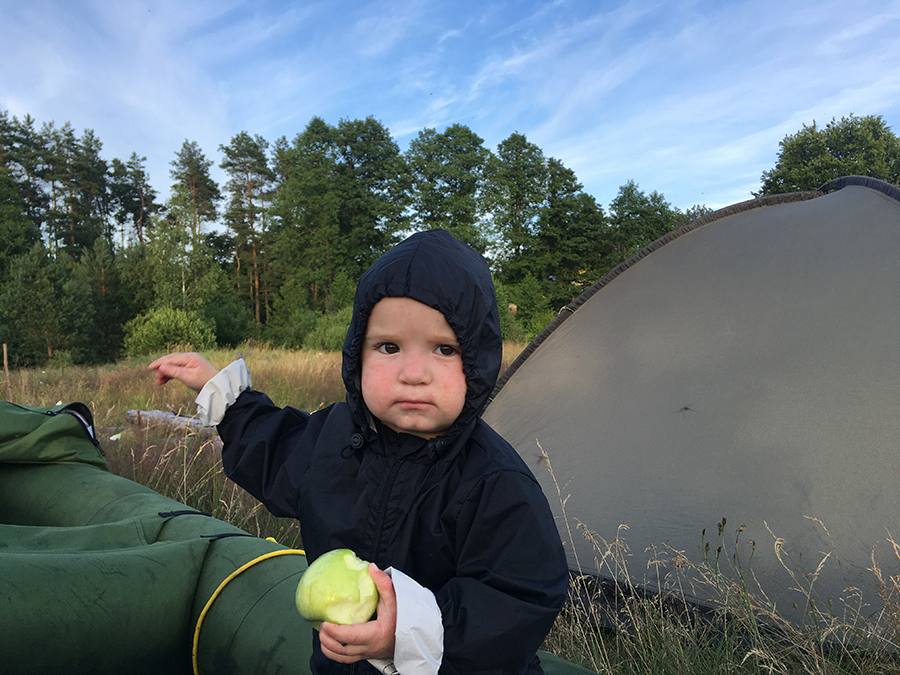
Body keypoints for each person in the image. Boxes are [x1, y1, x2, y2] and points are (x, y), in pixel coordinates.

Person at [150, 229, 569, 675]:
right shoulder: (333, 437)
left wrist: (406, 631)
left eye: (444, 349)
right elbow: (273, 448)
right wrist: (223, 393)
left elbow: (519, 595)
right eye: (388, 347)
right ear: (357, 355)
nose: (413, 373)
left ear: (479, 363)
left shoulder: (494, 481)